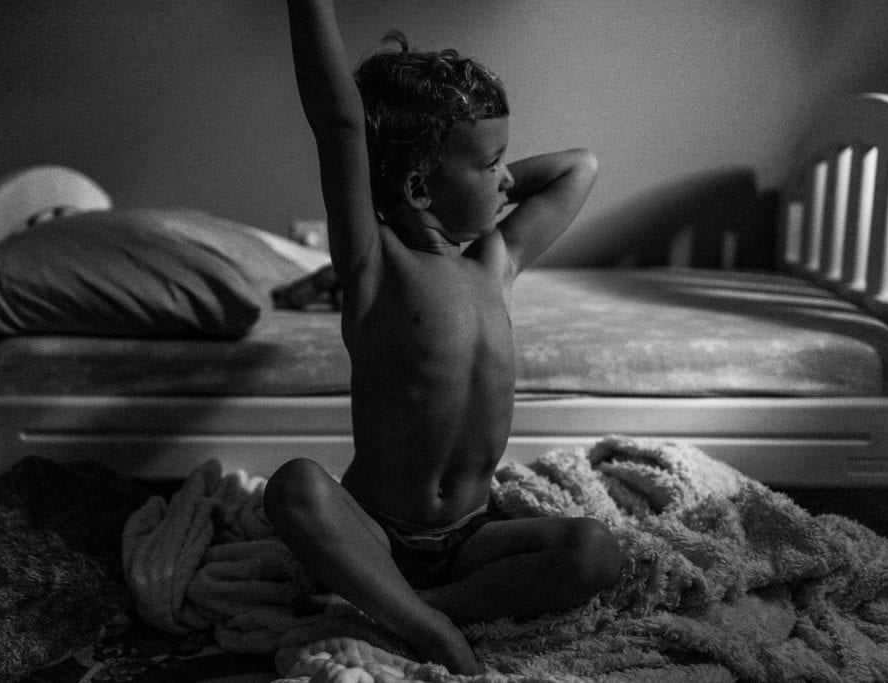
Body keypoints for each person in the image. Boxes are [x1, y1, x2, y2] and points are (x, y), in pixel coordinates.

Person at [264, 0, 622, 674]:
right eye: (493, 164)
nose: (510, 179)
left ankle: (416, 608)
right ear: (419, 187)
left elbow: (581, 166)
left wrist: (480, 162)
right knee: (293, 488)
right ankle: (422, 618)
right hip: (375, 528)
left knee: (596, 551)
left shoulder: (494, 261)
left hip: (470, 537)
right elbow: (339, 122)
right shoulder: (374, 266)